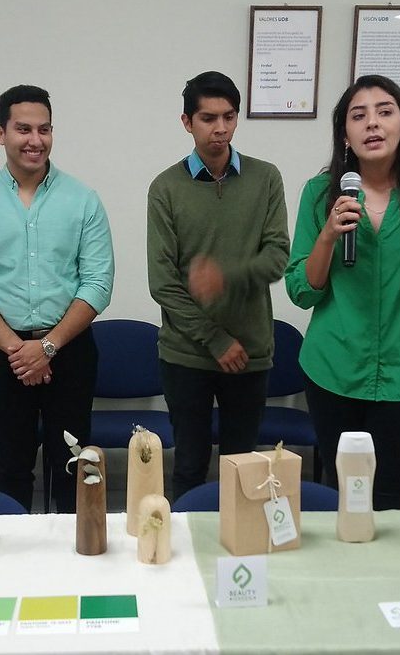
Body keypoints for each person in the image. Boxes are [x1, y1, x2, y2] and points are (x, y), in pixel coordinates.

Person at [0, 85, 114, 513]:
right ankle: (13, 554)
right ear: (0, 133)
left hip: (70, 351)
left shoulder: (83, 200)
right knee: (12, 467)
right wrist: (20, 351)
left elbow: (97, 283)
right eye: (23, 129)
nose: (35, 140)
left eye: (44, 129)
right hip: (3, 356)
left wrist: (48, 347)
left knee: (73, 465)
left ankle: (75, 551)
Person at [147, 71, 289, 501]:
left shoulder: (266, 178)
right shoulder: (166, 188)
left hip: (250, 351)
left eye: (229, 116)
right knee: (189, 466)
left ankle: (236, 543)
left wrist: (224, 276)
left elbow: (278, 256)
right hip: (187, 354)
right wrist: (215, 339)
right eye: (208, 118)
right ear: (187, 122)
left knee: (242, 470)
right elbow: (163, 283)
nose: (220, 128)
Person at [285, 74, 400, 510]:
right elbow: (302, 291)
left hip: (399, 376)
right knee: (345, 496)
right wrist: (329, 235)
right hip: (334, 369)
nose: (373, 123)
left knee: (391, 499)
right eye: (359, 115)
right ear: (345, 135)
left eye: (385, 111)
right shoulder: (321, 194)